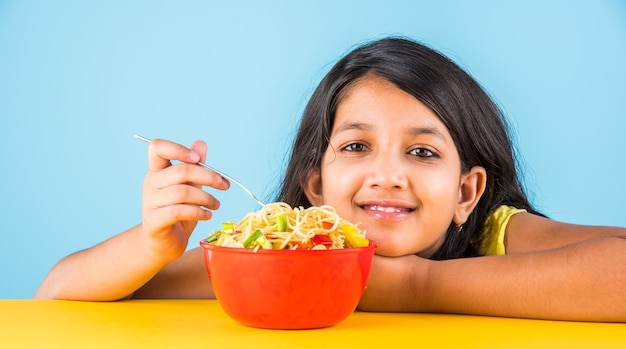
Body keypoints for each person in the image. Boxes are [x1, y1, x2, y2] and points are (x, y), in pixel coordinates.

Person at [35, 36, 626, 322]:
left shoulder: (494, 233)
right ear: (315, 186)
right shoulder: (278, 252)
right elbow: (57, 297)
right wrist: (151, 245)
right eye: (356, 146)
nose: (387, 174)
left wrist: (414, 287)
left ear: (466, 193)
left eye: (422, 152)